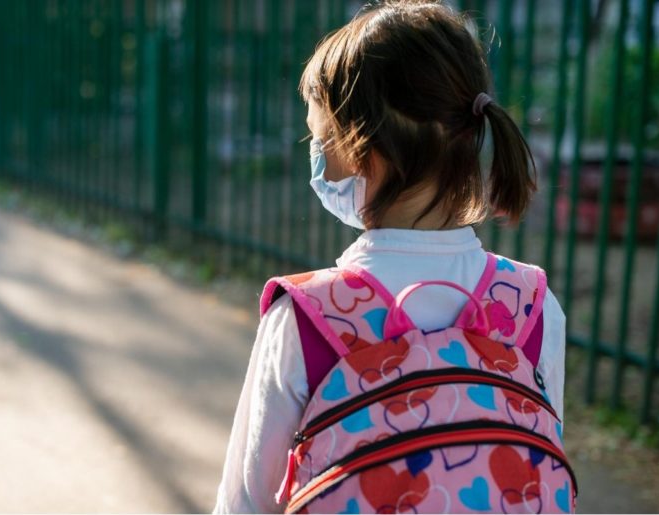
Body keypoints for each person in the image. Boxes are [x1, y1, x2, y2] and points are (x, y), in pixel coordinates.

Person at [214, 1, 569, 513]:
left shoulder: (308, 319)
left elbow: (246, 502)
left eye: (320, 139)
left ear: (362, 149)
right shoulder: (531, 308)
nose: (317, 159)